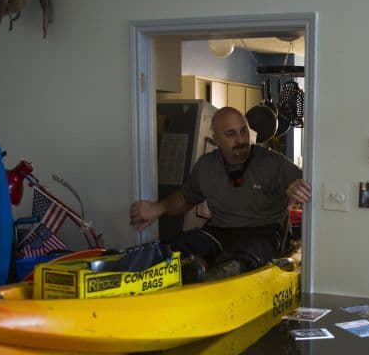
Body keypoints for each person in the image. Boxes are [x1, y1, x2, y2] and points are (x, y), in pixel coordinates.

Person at [130, 106, 311, 280]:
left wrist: (298, 187)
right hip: (219, 232)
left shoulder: (272, 162)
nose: (241, 139)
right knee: (177, 247)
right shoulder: (206, 166)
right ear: (216, 140)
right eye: (231, 134)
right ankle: (189, 267)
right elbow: (186, 197)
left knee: (247, 254)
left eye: (244, 131)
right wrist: (158, 208)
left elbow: (307, 184)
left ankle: (214, 272)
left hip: (263, 234)